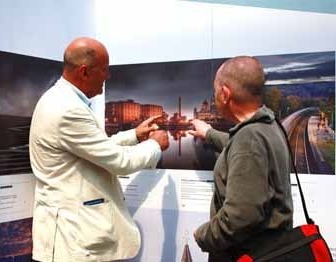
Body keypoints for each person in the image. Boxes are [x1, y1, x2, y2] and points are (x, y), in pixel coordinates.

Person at [29, 37, 169, 262]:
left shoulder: (60, 101)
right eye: (105, 70)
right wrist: (155, 145)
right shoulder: (68, 110)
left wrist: (133, 135)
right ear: (84, 72)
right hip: (71, 245)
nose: (108, 76)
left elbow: (94, 149)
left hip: (71, 240)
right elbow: (119, 162)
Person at [189, 56, 293, 261]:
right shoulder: (268, 125)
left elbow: (242, 216)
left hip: (246, 254)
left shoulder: (249, 139)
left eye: (215, 91)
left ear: (225, 94)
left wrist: (202, 235)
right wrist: (209, 134)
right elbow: (239, 148)